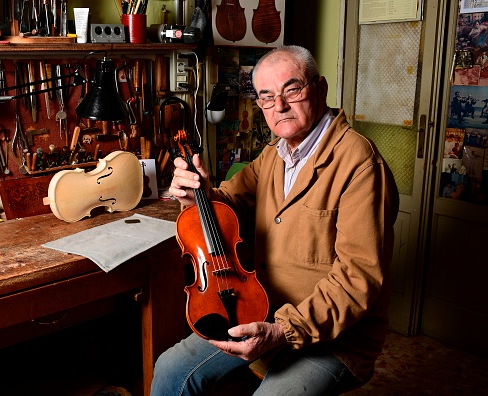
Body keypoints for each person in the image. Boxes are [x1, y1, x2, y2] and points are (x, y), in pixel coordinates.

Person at [151, 45, 399, 396]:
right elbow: (229, 204)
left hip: (333, 339)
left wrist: (282, 330)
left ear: (321, 88)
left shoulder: (360, 164)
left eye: (292, 90)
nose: (279, 106)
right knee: (172, 370)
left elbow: (358, 277)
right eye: (267, 97)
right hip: (259, 311)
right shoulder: (273, 155)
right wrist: (199, 196)